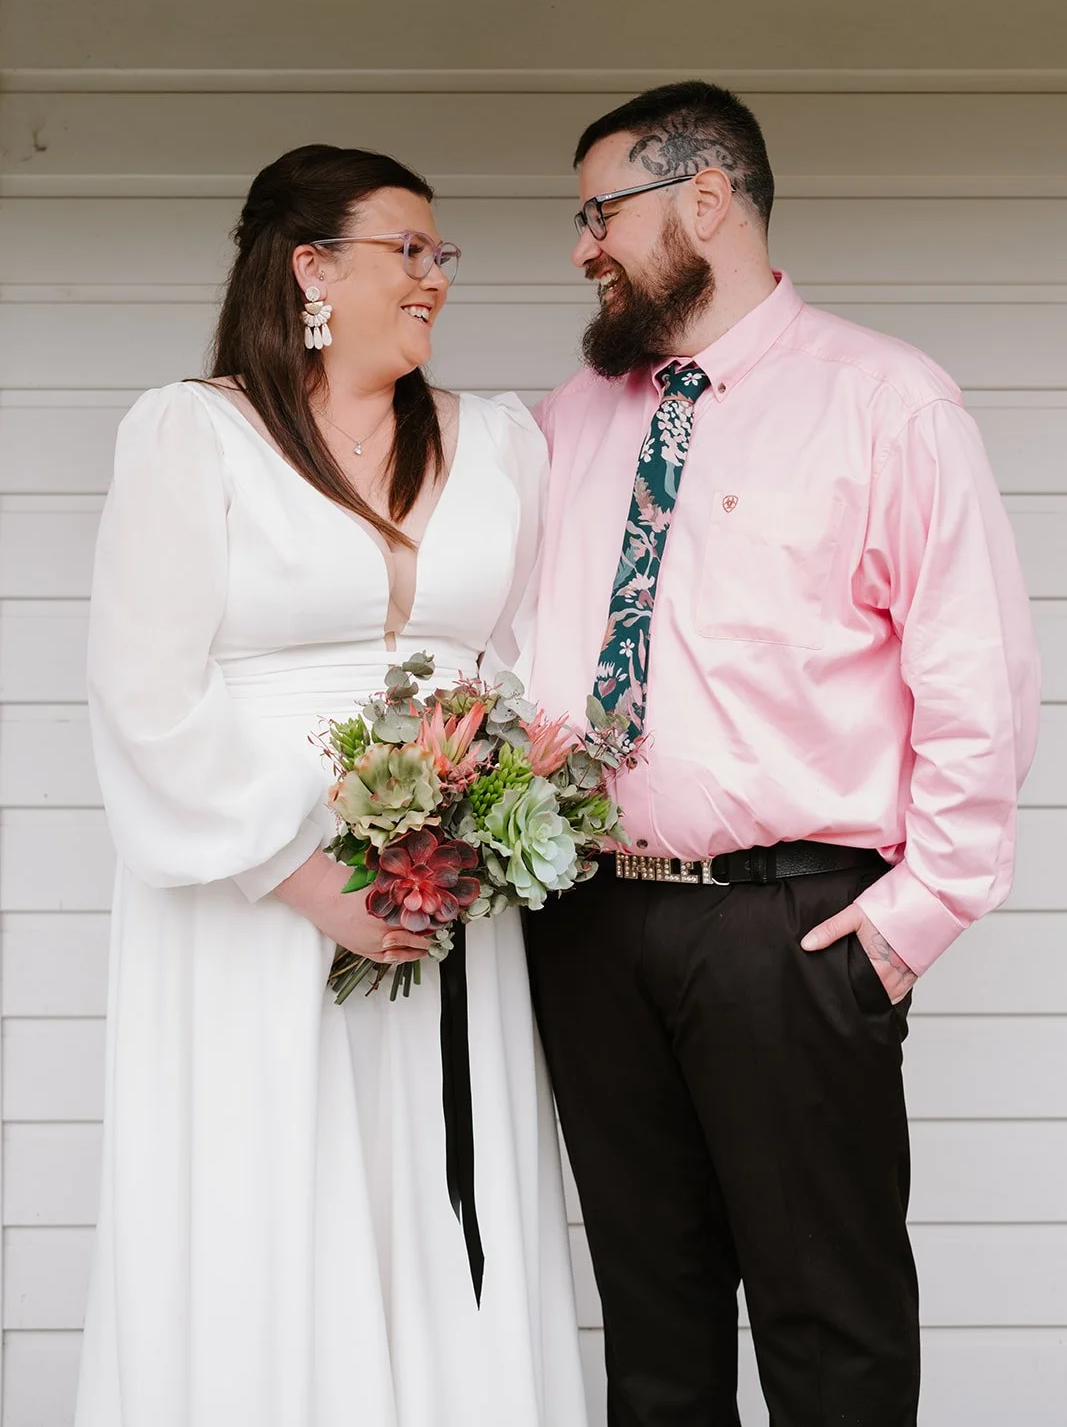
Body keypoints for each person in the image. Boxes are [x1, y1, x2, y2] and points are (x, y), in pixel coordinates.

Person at [524, 82, 1040, 1427]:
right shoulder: (563, 426)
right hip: (587, 925)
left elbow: (973, 682)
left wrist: (906, 924)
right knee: (651, 1327)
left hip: (790, 932)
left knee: (831, 1333)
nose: (579, 246)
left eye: (599, 212)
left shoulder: (885, 403)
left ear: (708, 198)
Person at [76, 144, 588, 1427]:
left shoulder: (503, 442)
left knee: (431, 1185)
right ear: (310, 269)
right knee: (265, 1181)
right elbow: (145, 691)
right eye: (405, 251)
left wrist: (480, 817)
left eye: (439, 256)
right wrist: (304, 875)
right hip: (250, 902)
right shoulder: (194, 434)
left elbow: (529, 666)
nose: (433, 280)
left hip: (445, 904)